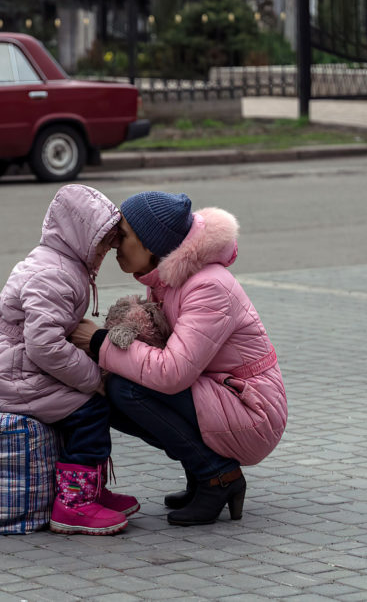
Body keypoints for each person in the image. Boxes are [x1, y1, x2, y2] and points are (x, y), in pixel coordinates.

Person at [71, 191, 287, 526]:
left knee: (127, 391)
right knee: (111, 395)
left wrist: (99, 343)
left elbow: (173, 373)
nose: (115, 245)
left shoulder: (208, 287)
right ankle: (200, 472)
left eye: (124, 236)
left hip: (253, 409)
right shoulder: (169, 281)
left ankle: (217, 476)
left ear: (152, 243)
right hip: (223, 393)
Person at [0, 184, 139, 535]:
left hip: (10, 366)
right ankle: (75, 504)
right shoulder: (56, 274)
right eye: (102, 241)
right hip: (8, 373)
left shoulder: (58, 261)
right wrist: (94, 377)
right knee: (89, 409)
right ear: (81, 237)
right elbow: (44, 346)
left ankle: (89, 489)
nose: (107, 249)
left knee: (81, 406)